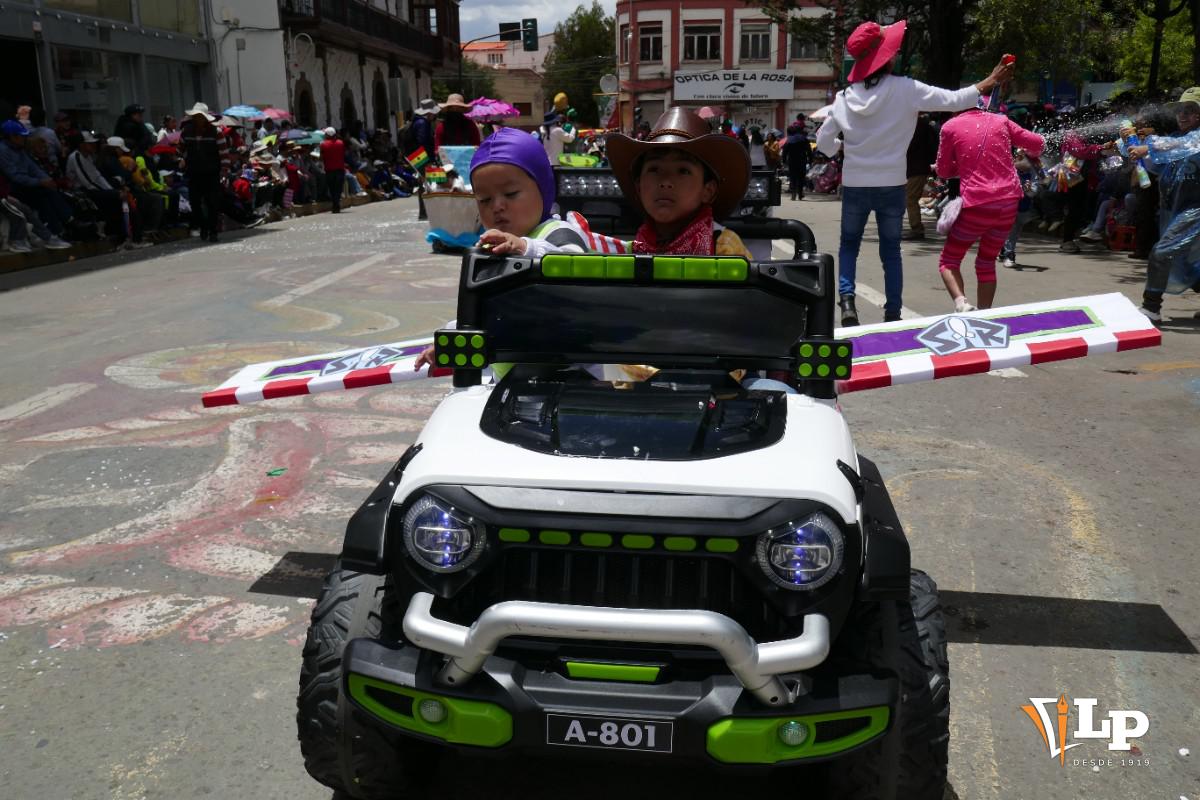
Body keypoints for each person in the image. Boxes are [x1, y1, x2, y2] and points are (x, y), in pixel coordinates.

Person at [815, 19, 1014, 325]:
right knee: (890, 251)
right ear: (887, 57)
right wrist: (990, 79)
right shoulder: (906, 89)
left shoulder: (843, 98)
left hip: (855, 184)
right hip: (893, 183)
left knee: (849, 246)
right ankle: (892, 312)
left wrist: (844, 148)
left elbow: (825, 142)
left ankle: (847, 303)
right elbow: (954, 100)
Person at [412, 127, 595, 372]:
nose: (497, 206)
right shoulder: (493, 246)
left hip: (568, 376)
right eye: (484, 200)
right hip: (511, 378)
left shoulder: (557, 232)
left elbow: (578, 268)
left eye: (510, 194)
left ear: (543, 188)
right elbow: (488, 309)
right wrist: (454, 336)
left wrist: (525, 247)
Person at [934, 99, 1045, 311]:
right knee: (986, 261)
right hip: (1008, 203)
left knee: (949, 259)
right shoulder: (1001, 121)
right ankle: (985, 314)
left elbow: (943, 171)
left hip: (978, 203)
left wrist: (961, 164)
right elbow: (1038, 143)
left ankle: (962, 303)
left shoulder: (950, 126)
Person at [607, 106, 752, 259]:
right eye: (654, 169)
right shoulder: (636, 247)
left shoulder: (725, 248)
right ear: (638, 187)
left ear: (708, 191)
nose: (665, 182)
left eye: (683, 171)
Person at [1127, 87, 1200, 322]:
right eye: (1180, 110)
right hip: (1176, 209)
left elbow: (1187, 144)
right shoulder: (1176, 139)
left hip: (1196, 210)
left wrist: (1147, 147)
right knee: (1184, 263)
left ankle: (1151, 308)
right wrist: (1130, 149)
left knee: (1162, 252)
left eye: (1190, 111)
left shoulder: (1194, 139)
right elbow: (1157, 164)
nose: (1183, 115)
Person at [0, 119, 77, 243]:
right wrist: (40, 182)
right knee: (43, 195)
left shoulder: (20, 150)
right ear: (12, 137)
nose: (24, 139)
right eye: (21, 136)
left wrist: (46, 179)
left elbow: (33, 167)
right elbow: (14, 176)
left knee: (48, 193)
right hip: (11, 188)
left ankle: (64, 224)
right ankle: (61, 226)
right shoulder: (3, 151)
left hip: (26, 184)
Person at [179, 102, 230, 242]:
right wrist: (180, 159)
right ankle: (203, 227)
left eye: (200, 116)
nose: (198, 119)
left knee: (212, 202)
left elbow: (224, 154)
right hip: (194, 172)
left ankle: (213, 231)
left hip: (212, 173)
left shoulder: (216, 132)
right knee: (195, 203)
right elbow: (180, 150)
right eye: (196, 116)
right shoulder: (186, 132)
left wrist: (224, 171)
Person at [902, 114, 938, 240]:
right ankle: (916, 228)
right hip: (919, 166)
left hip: (916, 167)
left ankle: (917, 229)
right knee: (911, 198)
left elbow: (910, 147)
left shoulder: (916, 127)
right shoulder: (923, 125)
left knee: (910, 198)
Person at [319, 127, 346, 213]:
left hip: (329, 169)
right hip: (340, 168)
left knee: (332, 188)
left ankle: (335, 204)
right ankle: (336, 203)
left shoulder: (323, 144)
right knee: (338, 188)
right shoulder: (341, 143)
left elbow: (321, 157)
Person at [782, 120, 810, 200]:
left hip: (792, 161)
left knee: (793, 177)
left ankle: (793, 193)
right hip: (802, 160)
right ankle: (800, 194)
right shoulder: (804, 139)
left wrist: (783, 160)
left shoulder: (789, 139)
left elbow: (785, 151)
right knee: (801, 177)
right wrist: (810, 159)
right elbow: (809, 150)